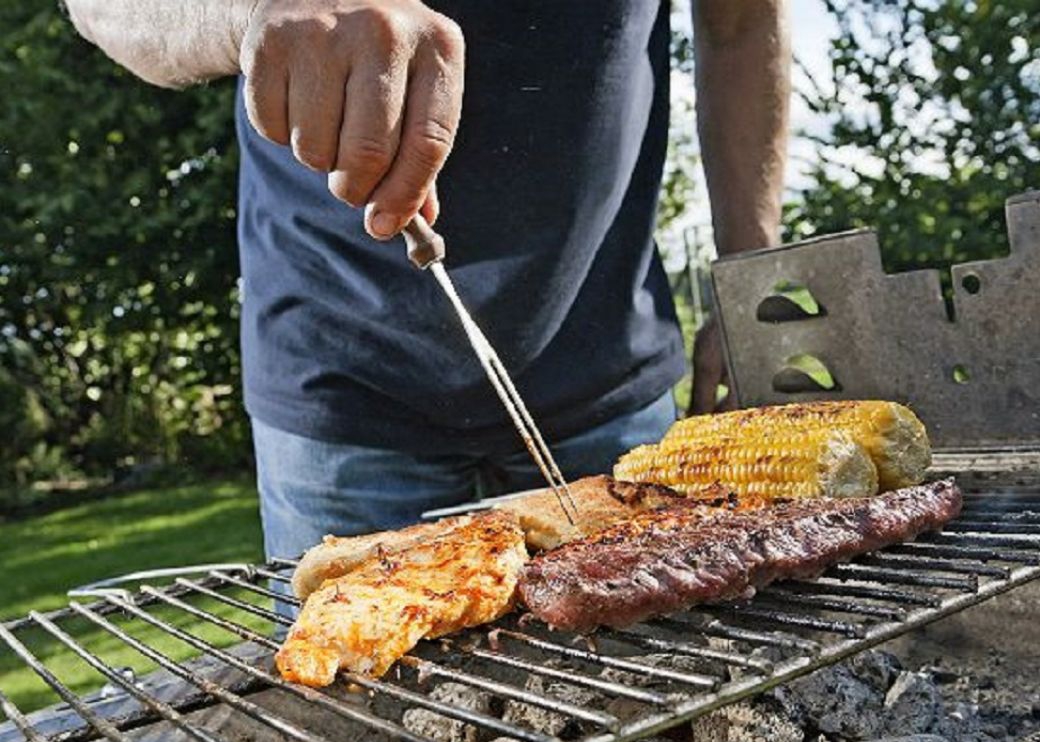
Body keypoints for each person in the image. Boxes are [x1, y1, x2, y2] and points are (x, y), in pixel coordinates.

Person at [65, 1, 790, 564]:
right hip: (340, 380)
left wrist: (753, 279)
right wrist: (256, 11)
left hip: (607, 362)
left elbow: (740, 24)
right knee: (359, 719)